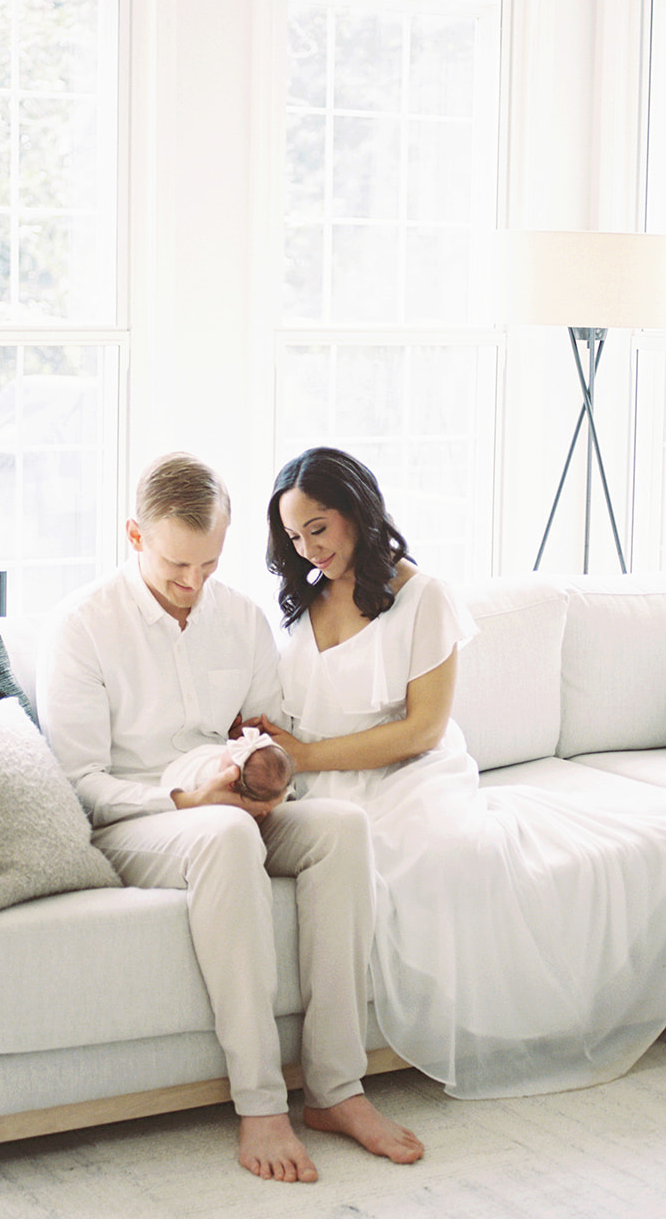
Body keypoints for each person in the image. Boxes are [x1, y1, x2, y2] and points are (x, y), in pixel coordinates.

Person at [258, 445, 666, 1100]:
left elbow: (421, 728)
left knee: (438, 858)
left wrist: (306, 755)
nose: (309, 548)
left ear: (355, 511)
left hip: (410, 773)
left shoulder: (422, 596)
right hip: (324, 782)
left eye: (318, 528)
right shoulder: (304, 598)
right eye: (293, 536)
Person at [37, 451, 423, 1180]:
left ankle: (338, 1089)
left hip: (229, 803)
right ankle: (261, 1105)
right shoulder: (83, 626)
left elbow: (266, 727)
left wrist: (260, 780)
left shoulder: (239, 618)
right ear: (134, 536)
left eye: (209, 565)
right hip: (137, 818)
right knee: (218, 835)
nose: (192, 585)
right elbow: (78, 781)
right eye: (176, 566)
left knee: (340, 828)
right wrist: (183, 800)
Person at [162, 727, 295, 806]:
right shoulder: (224, 761)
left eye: (237, 749)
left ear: (232, 780)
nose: (240, 741)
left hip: (174, 787)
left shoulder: (207, 781)